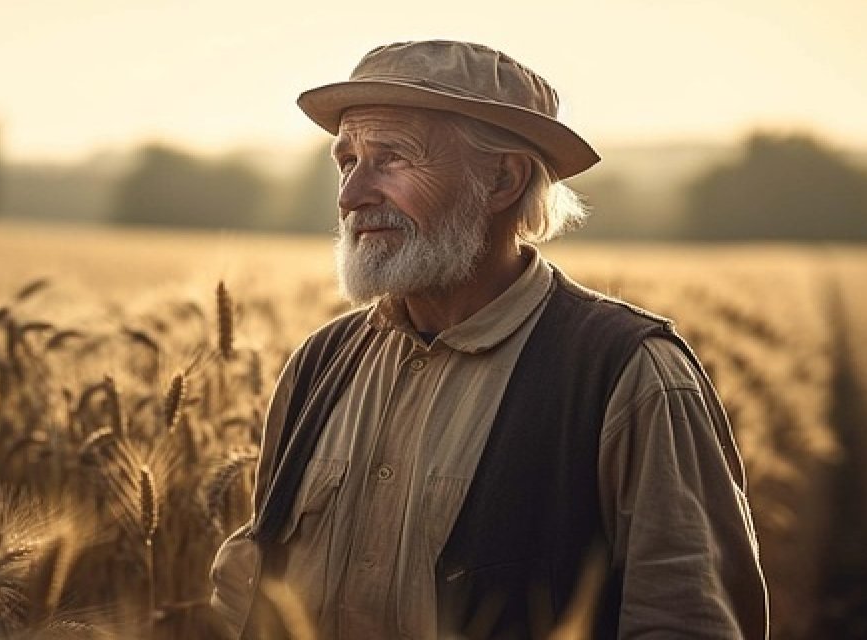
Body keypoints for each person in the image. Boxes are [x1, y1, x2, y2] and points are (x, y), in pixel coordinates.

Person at [210, 40, 768, 639]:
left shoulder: (626, 376)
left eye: (391, 159)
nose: (351, 196)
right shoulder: (320, 365)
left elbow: (684, 621)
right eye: (347, 162)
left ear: (503, 179)